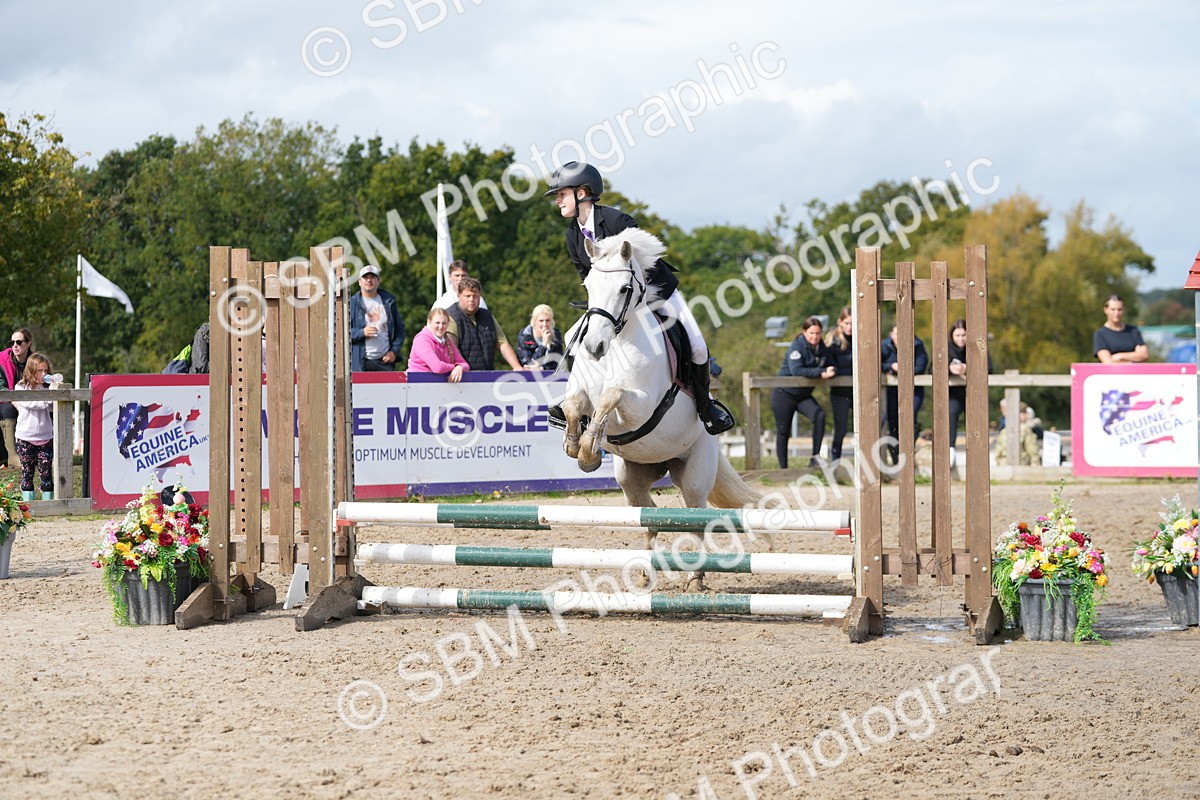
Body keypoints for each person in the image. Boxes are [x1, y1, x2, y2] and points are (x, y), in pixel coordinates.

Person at [544, 161, 734, 435]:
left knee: (697, 347)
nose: (558, 201)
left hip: (655, 291)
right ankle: (579, 400)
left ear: (582, 193)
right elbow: (586, 277)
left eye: (561, 194)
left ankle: (706, 406)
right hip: (613, 303)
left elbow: (645, 265)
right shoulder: (572, 234)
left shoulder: (617, 221)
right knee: (576, 336)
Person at [771, 317, 836, 469]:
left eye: (818, 333)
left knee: (819, 415)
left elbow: (832, 363)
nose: (815, 337)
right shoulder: (796, 347)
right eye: (811, 333)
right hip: (783, 394)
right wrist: (821, 372)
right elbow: (797, 370)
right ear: (804, 332)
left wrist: (833, 369)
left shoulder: (821, 348)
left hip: (802, 396)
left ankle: (815, 459)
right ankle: (783, 470)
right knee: (783, 432)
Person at [445, 277, 525, 372]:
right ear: (458, 296)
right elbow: (452, 348)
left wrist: (517, 366)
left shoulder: (487, 316)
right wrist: (460, 367)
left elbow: (502, 343)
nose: (472, 299)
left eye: (475, 296)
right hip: (463, 377)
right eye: (468, 296)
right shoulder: (450, 316)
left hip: (487, 374)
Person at [947, 319, 994, 462]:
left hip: (973, 394)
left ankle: (977, 452)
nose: (961, 339)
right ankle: (950, 449)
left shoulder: (978, 347)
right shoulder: (946, 348)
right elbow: (932, 368)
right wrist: (949, 369)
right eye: (957, 335)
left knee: (976, 419)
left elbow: (990, 368)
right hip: (954, 394)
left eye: (964, 335)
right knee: (951, 413)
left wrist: (968, 368)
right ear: (952, 336)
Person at [881, 324, 929, 465]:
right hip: (891, 391)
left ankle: (908, 453)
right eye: (896, 334)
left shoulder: (918, 345)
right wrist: (891, 366)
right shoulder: (884, 345)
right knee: (894, 422)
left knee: (909, 418)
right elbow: (877, 363)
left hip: (913, 390)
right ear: (891, 334)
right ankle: (897, 458)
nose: (899, 337)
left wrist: (903, 368)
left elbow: (921, 366)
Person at [13, 353, 57, 501]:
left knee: (46, 472)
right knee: (27, 472)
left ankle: (49, 504)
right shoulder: (20, 387)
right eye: (40, 371)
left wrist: (55, 386)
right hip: (25, 437)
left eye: (46, 370)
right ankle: (28, 506)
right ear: (32, 370)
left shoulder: (48, 388)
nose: (44, 374)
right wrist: (48, 398)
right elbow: (33, 404)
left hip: (45, 437)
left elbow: (53, 406)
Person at [349, 264, 406, 371]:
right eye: (365, 277)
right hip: (360, 362)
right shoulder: (352, 304)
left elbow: (400, 330)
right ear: (359, 282)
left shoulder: (389, 301)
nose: (369, 280)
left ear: (378, 281)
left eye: (372, 277)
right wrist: (362, 333)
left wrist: (394, 351)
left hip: (384, 362)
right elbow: (341, 333)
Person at [407, 307, 470, 382]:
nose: (441, 327)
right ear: (429, 322)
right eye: (437, 323)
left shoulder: (447, 341)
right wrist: (455, 367)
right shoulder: (421, 340)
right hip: (417, 383)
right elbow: (437, 367)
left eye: (444, 323)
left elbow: (465, 365)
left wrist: (460, 368)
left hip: (437, 385)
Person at [0, 328, 33, 469]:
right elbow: (1, 387)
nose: (15, 345)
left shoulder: (36, 362)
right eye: (12, 342)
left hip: (31, 401)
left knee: (47, 410)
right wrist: (15, 401)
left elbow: (44, 381)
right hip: (5, 401)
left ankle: (43, 454)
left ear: (28, 343)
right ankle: (12, 456)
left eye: (19, 342)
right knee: (8, 409)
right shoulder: (2, 361)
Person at [825, 307, 854, 462]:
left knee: (876, 421)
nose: (850, 327)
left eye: (853, 324)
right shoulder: (833, 343)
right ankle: (835, 461)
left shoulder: (861, 340)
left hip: (857, 391)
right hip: (840, 391)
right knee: (840, 427)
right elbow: (832, 367)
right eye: (847, 323)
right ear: (840, 322)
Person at [1093, 294, 1148, 363]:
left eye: (1119, 309)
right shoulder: (1100, 334)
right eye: (1113, 309)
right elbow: (1108, 362)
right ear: (1106, 310)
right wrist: (1133, 357)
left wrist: (1120, 356)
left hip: (1134, 373)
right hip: (1112, 374)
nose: (1116, 313)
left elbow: (1144, 355)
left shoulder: (1133, 331)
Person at [517, 304, 565, 370]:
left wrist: (542, 368)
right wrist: (544, 345)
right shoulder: (524, 336)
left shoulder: (556, 335)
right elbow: (528, 363)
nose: (545, 324)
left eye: (547, 320)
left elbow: (559, 361)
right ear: (534, 321)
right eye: (541, 321)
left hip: (550, 375)